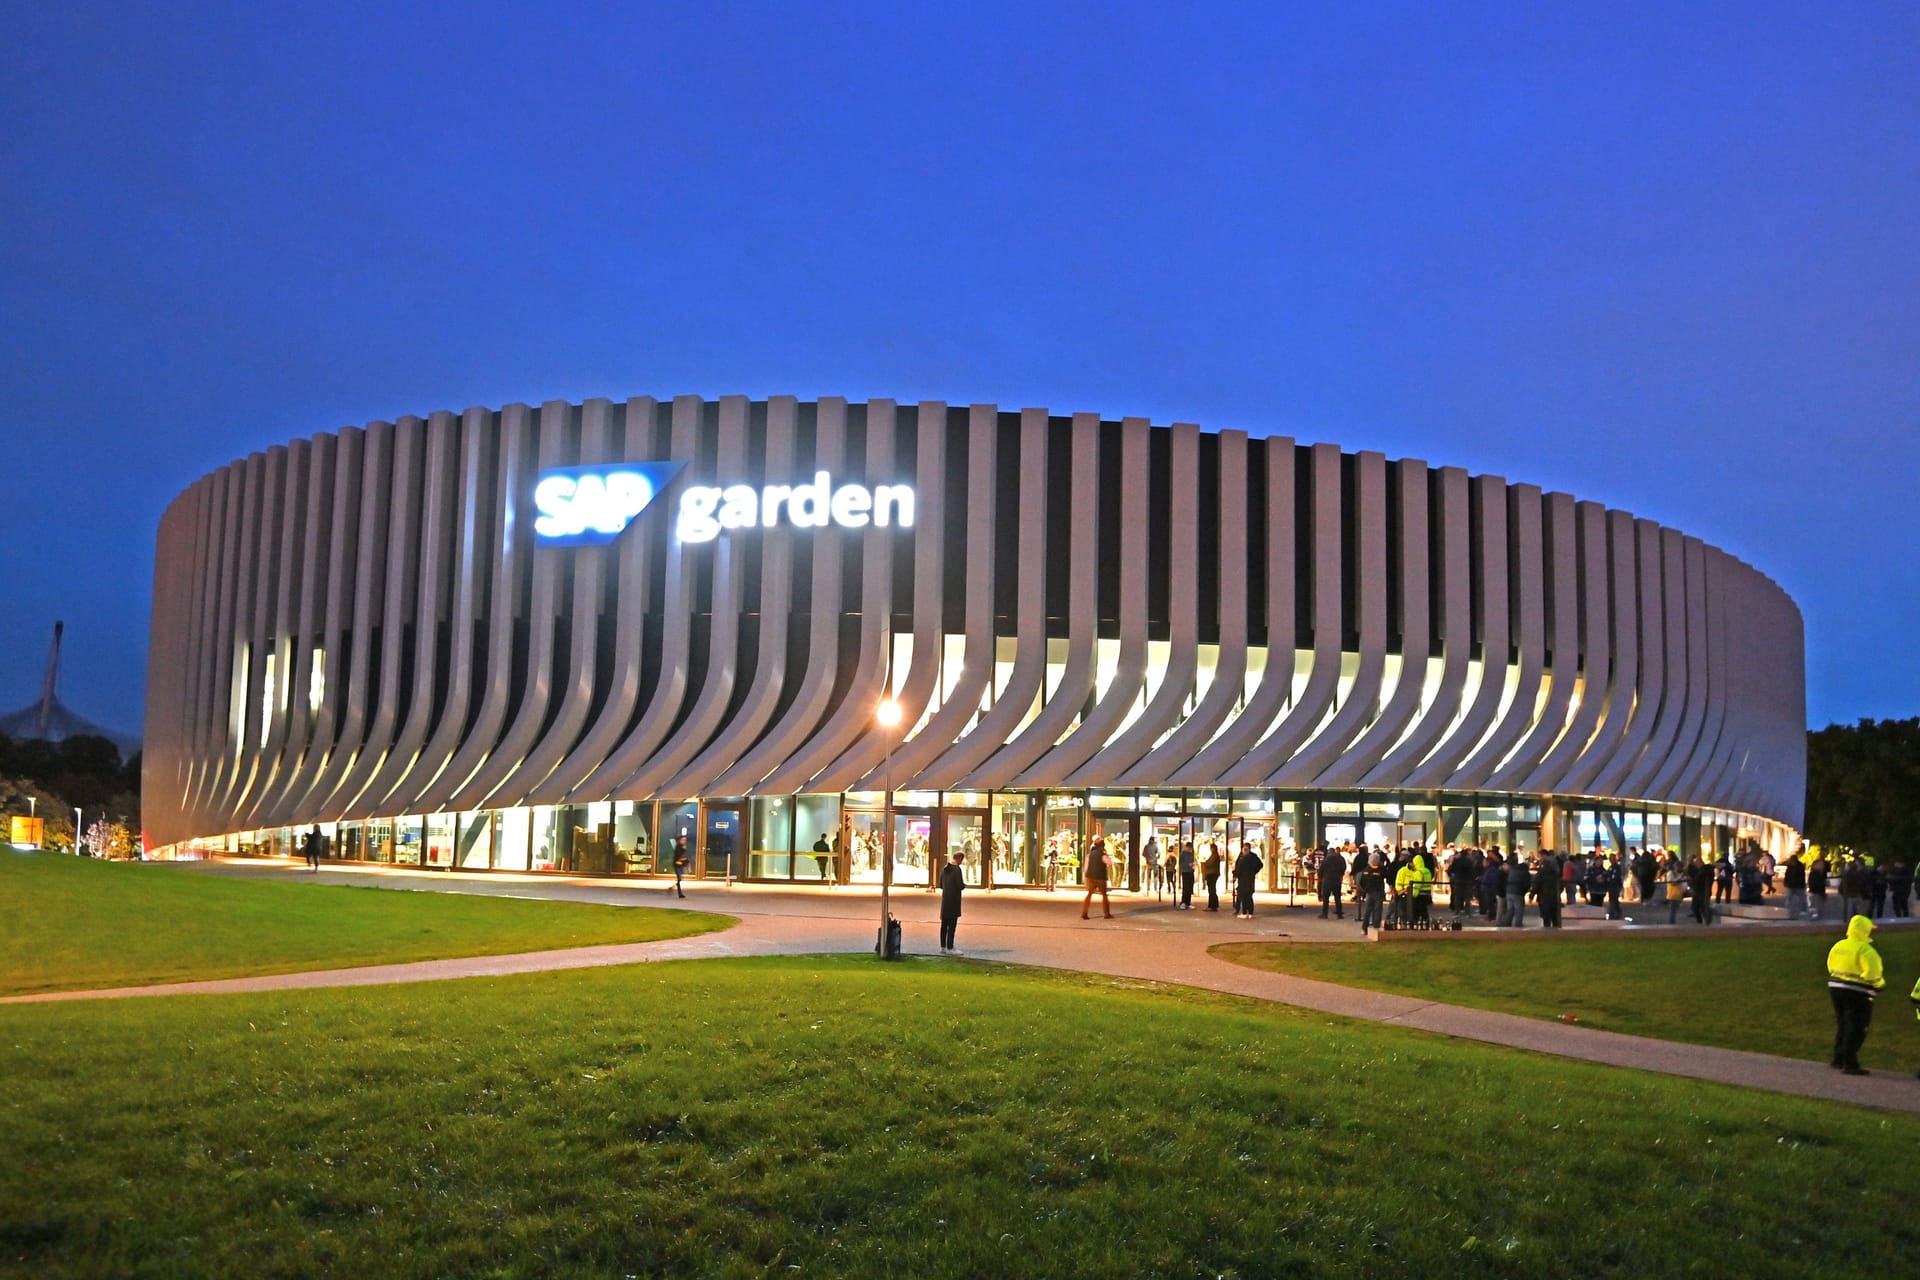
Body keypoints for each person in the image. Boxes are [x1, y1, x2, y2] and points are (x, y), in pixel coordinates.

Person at [1826, 914, 1884, 1075]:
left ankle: (1838, 1058)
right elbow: (1873, 974)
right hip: (1858, 991)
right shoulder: (1866, 950)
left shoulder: (1839, 945)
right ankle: (1850, 1063)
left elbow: (1830, 965)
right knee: (1857, 1027)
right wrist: (1879, 986)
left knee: (1843, 1023)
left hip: (1835, 987)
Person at [938, 850, 966, 953]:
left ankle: (943, 947)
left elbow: (940, 884)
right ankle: (950, 947)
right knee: (952, 925)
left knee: (944, 925)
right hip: (954, 900)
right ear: (959, 859)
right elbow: (960, 885)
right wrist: (964, 886)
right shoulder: (957, 870)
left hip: (945, 900)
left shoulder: (945, 868)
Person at [1081, 832, 1112, 920]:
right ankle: (1107, 913)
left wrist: (1086, 874)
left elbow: (1086, 866)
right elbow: (1109, 863)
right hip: (1100, 877)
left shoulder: (1090, 854)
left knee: (1089, 894)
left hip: (1091, 876)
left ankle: (1084, 913)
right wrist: (1106, 854)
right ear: (1103, 846)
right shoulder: (1103, 855)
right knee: (1104, 895)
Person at [1359, 851, 1387, 934]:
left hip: (1369, 892)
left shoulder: (1366, 869)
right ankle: (1376, 926)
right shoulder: (1381, 870)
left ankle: (1364, 928)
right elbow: (1387, 875)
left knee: (1368, 910)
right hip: (1378, 891)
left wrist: (1365, 889)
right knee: (1377, 910)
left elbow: (1362, 881)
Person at [1233, 842, 1263, 918]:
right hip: (1250, 878)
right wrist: (1254, 872)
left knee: (1244, 895)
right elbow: (1260, 864)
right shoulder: (1252, 857)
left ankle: (1244, 912)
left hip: (1243, 879)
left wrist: (1235, 875)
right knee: (1248, 895)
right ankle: (1249, 912)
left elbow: (1238, 869)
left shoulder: (1243, 858)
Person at [1317, 845, 1348, 920]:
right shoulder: (1340, 859)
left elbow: (1321, 870)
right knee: (1337, 898)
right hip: (1337, 880)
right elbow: (1343, 867)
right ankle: (1339, 914)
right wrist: (1340, 875)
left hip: (1327, 880)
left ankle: (1325, 914)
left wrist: (1320, 877)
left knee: (1326, 898)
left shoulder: (1325, 860)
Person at [1783, 850, 1808, 919]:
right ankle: (1787, 911)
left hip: (1798, 885)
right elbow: (1787, 875)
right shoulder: (1791, 866)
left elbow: (1799, 877)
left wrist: (1786, 882)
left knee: (1802, 899)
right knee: (1789, 899)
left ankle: (1803, 910)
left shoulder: (1799, 867)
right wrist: (1786, 882)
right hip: (1792, 885)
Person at [1202, 841, 1223, 912]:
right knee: (1212, 890)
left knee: (1211, 890)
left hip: (1212, 874)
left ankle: (1212, 905)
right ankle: (1214, 905)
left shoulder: (1214, 855)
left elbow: (1209, 863)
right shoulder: (1215, 855)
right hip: (1213, 873)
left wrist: (1205, 862)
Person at [1178, 839, 1196, 910]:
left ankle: (1188, 902)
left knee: (1190, 887)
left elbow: (1193, 861)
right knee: (1186, 887)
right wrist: (1188, 864)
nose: (1190, 849)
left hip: (1191, 871)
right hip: (1185, 872)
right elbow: (1181, 863)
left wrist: (1194, 865)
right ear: (1186, 847)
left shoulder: (1192, 854)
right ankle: (1184, 902)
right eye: (1189, 847)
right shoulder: (1183, 854)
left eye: (1191, 847)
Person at [671, 834, 689, 898]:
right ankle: (680, 893)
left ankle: (678, 890)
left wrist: (686, 863)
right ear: (680, 840)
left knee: (680, 878)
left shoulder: (682, 847)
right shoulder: (678, 847)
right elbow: (679, 855)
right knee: (679, 878)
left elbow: (684, 856)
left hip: (680, 865)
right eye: (683, 840)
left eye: (685, 840)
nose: (684, 841)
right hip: (677, 864)